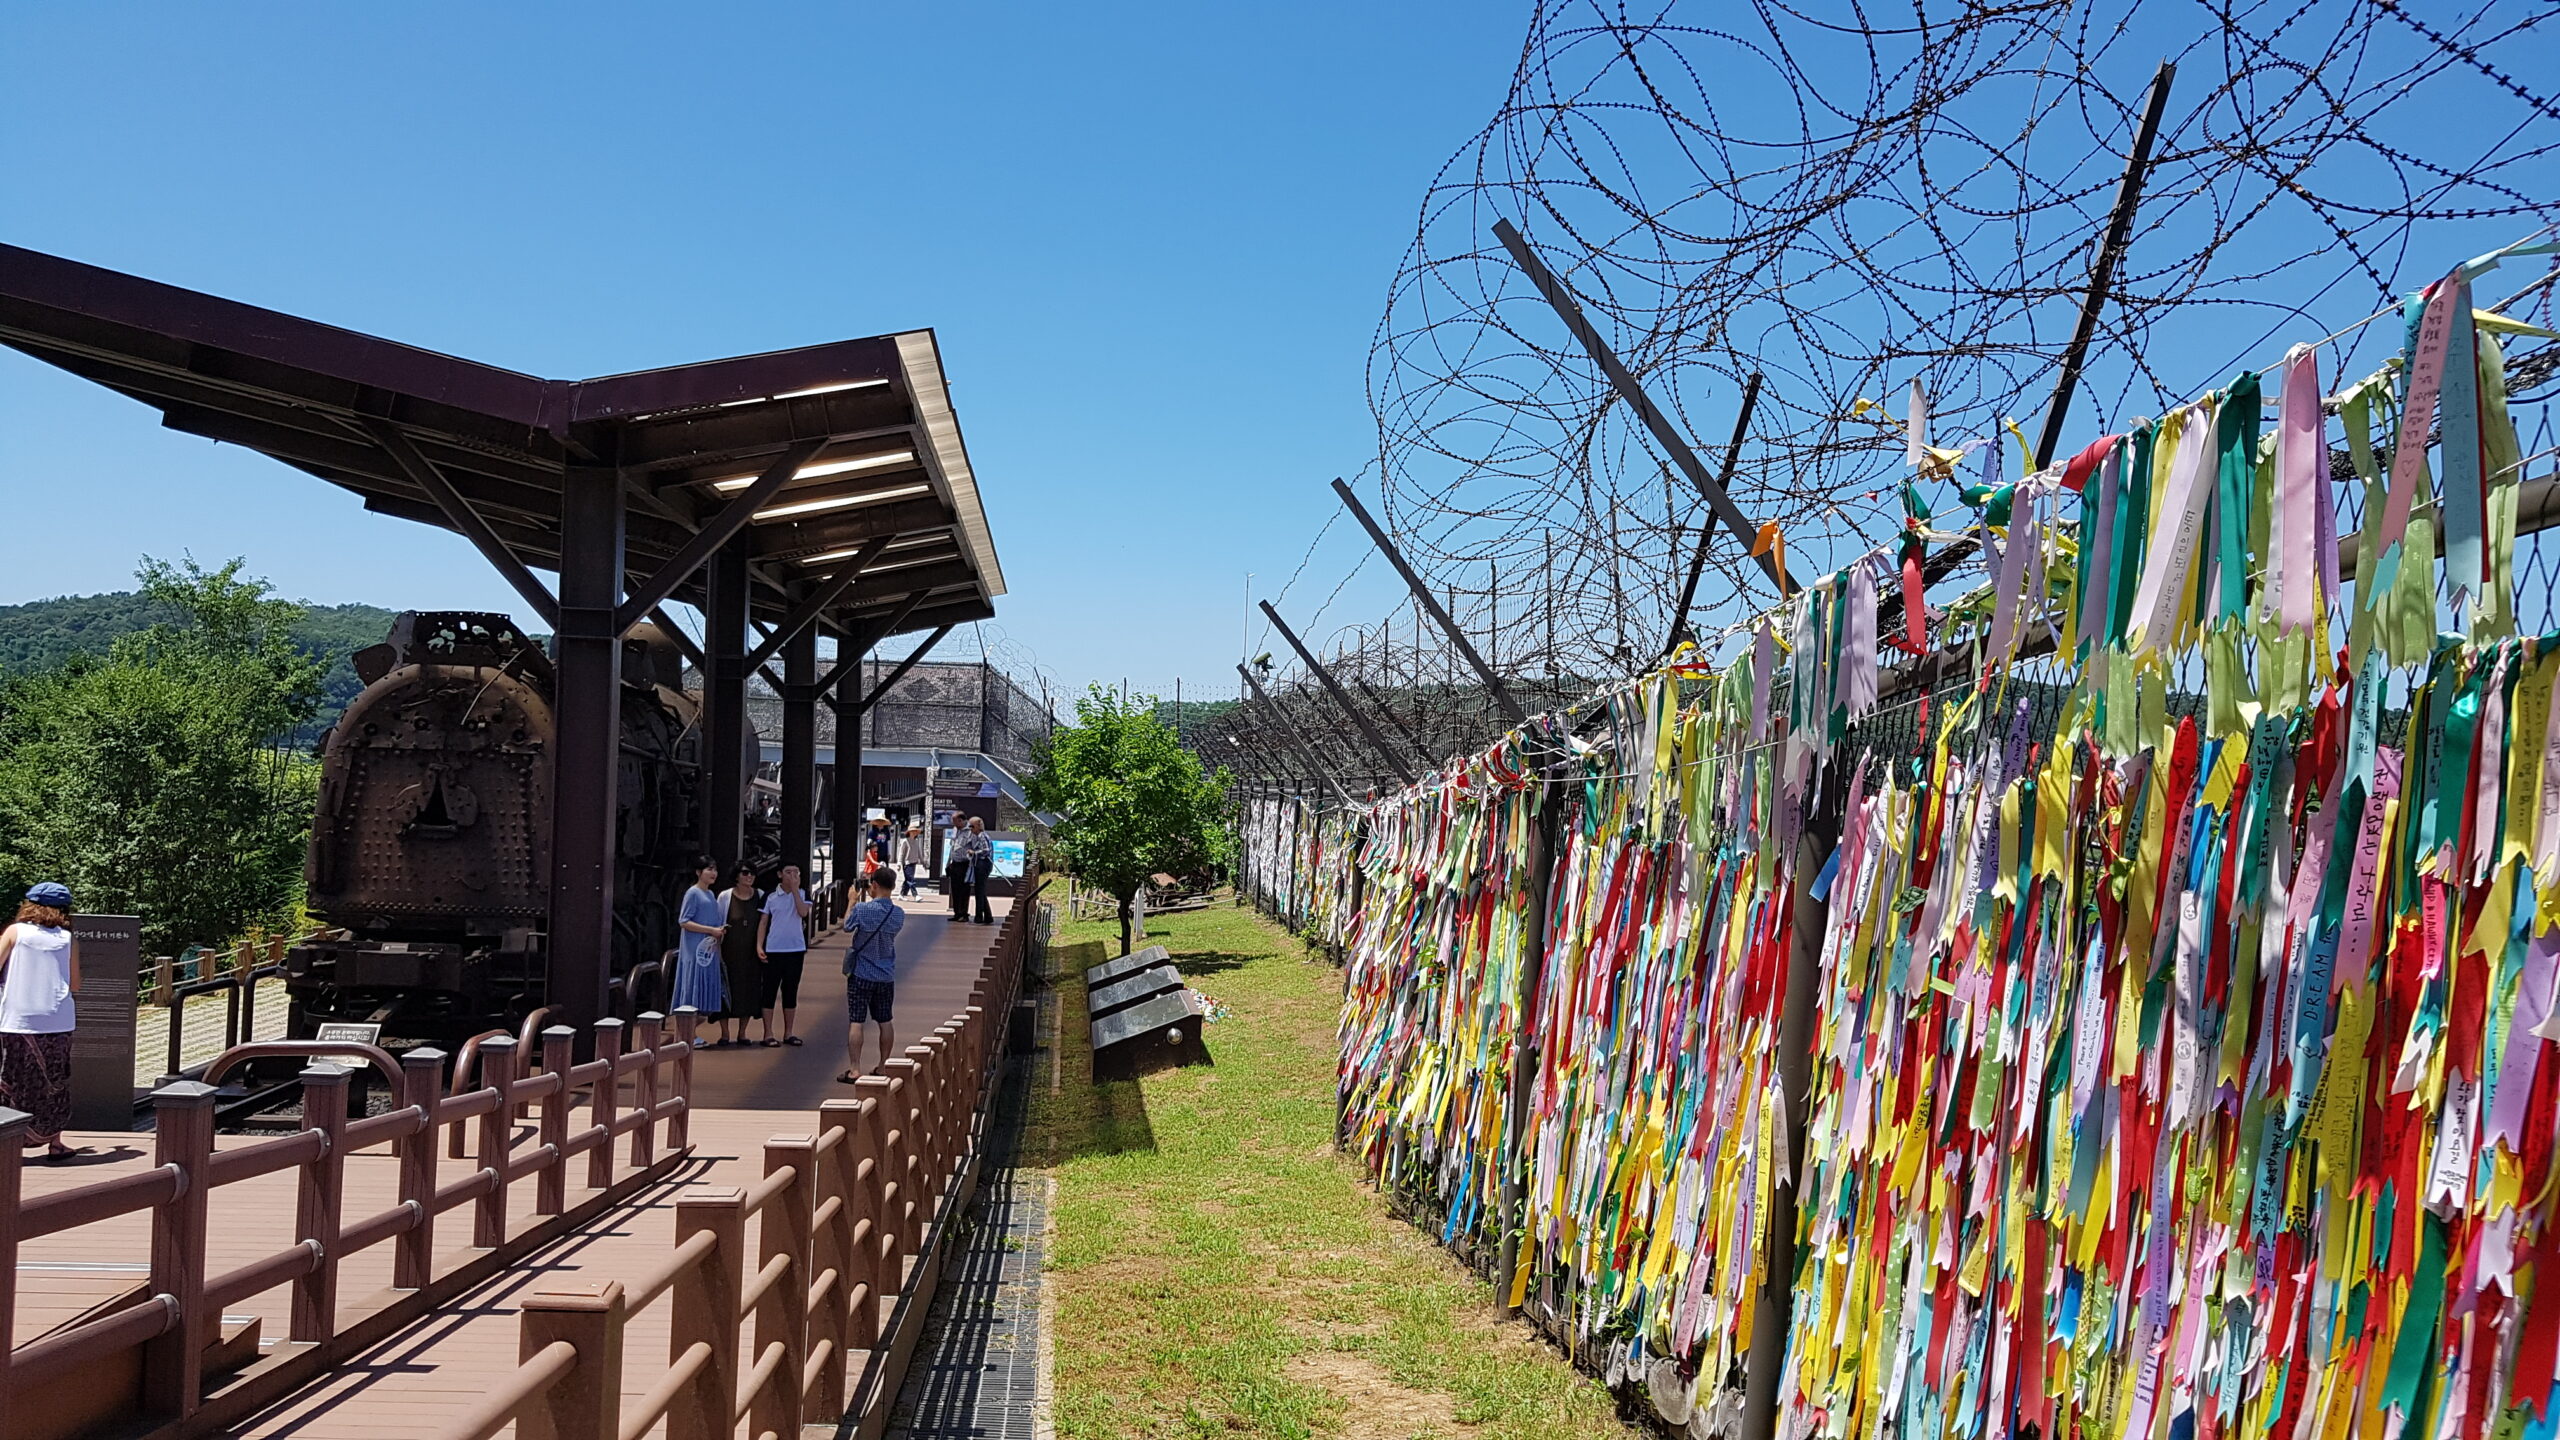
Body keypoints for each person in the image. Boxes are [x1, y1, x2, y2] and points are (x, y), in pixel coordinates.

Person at [0, 882, 81, 1160]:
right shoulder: (67, 938)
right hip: (58, 1020)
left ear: (30, 905)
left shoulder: (15, 932)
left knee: (12, 1078)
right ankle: (55, 1143)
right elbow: (75, 984)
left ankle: (8, 1142)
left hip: (17, 1020)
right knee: (55, 1081)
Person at [837, 868, 905, 1084]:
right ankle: (883, 1065)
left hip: (861, 973)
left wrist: (851, 901)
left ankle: (855, 1069)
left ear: (873, 885)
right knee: (885, 1020)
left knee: (856, 1020)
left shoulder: (863, 909)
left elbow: (847, 926)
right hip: (885, 974)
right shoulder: (898, 914)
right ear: (893, 886)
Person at [670, 860, 727, 1045]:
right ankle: (687, 1034)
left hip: (708, 950)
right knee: (693, 987)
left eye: (715, 869)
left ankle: (688, 1032)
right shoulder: (693, 893)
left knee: (704, 992)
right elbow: (684, 921)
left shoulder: (710, 894)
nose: (713, 873)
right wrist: (711, 931)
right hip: (695, 950)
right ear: (698, 872)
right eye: (709, 869)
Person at [756, 863, 813, 1047]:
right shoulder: (770, 895)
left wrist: (796, 891)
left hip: (795, 949)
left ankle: (789, 1032)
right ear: (780, 874)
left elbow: (803, 912)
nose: (792, 876)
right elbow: (763, 922)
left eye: (796, 872)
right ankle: (768, 1033)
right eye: (788, 872)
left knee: (791, 990)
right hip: (773, 949)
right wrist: (759, 945)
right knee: (769, 991)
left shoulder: (803, 893)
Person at [717, 866, 763, 1047]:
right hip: (729, 951)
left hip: (751, 952)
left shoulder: (760, 895)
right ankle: (725, 1033)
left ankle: (742, 1032)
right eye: (745, 873)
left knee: (749, 990)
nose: (749, 876)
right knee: (726, 990)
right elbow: (719, 921)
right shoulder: (725, 897)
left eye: (752, 873)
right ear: (736, 876)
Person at [951, 816, 997, 924]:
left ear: (979, 826)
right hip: (979, 864)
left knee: (979, 891)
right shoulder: (976, 836)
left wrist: (974, 852)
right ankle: (987, 916)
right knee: (980, 891)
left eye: (972, 826)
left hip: (983, 865)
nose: (970, 829)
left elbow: (986, 850)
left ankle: (979, 916)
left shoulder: (982, 836)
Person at [896, 823, 929, 897]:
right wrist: (899, 863)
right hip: (907, 863)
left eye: (915, 831)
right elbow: (901, 853)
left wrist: (923, 862)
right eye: (912, 831)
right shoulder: (905, 841)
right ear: (909, 832)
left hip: (914, 862)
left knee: (908, 879)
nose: (914, 833)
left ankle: (902, 894)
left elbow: (919, 852)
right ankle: (915, 895)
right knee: (911, 879)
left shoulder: (916, 841)